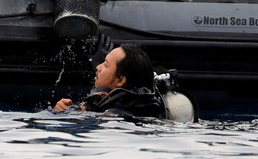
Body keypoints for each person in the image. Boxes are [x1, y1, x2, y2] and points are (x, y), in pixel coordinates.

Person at [54, 44, 197, 121]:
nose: (97, 67)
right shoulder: (150, 107)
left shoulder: (111, 115)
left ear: (120, 80)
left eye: (105, 64)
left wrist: (65, 114)